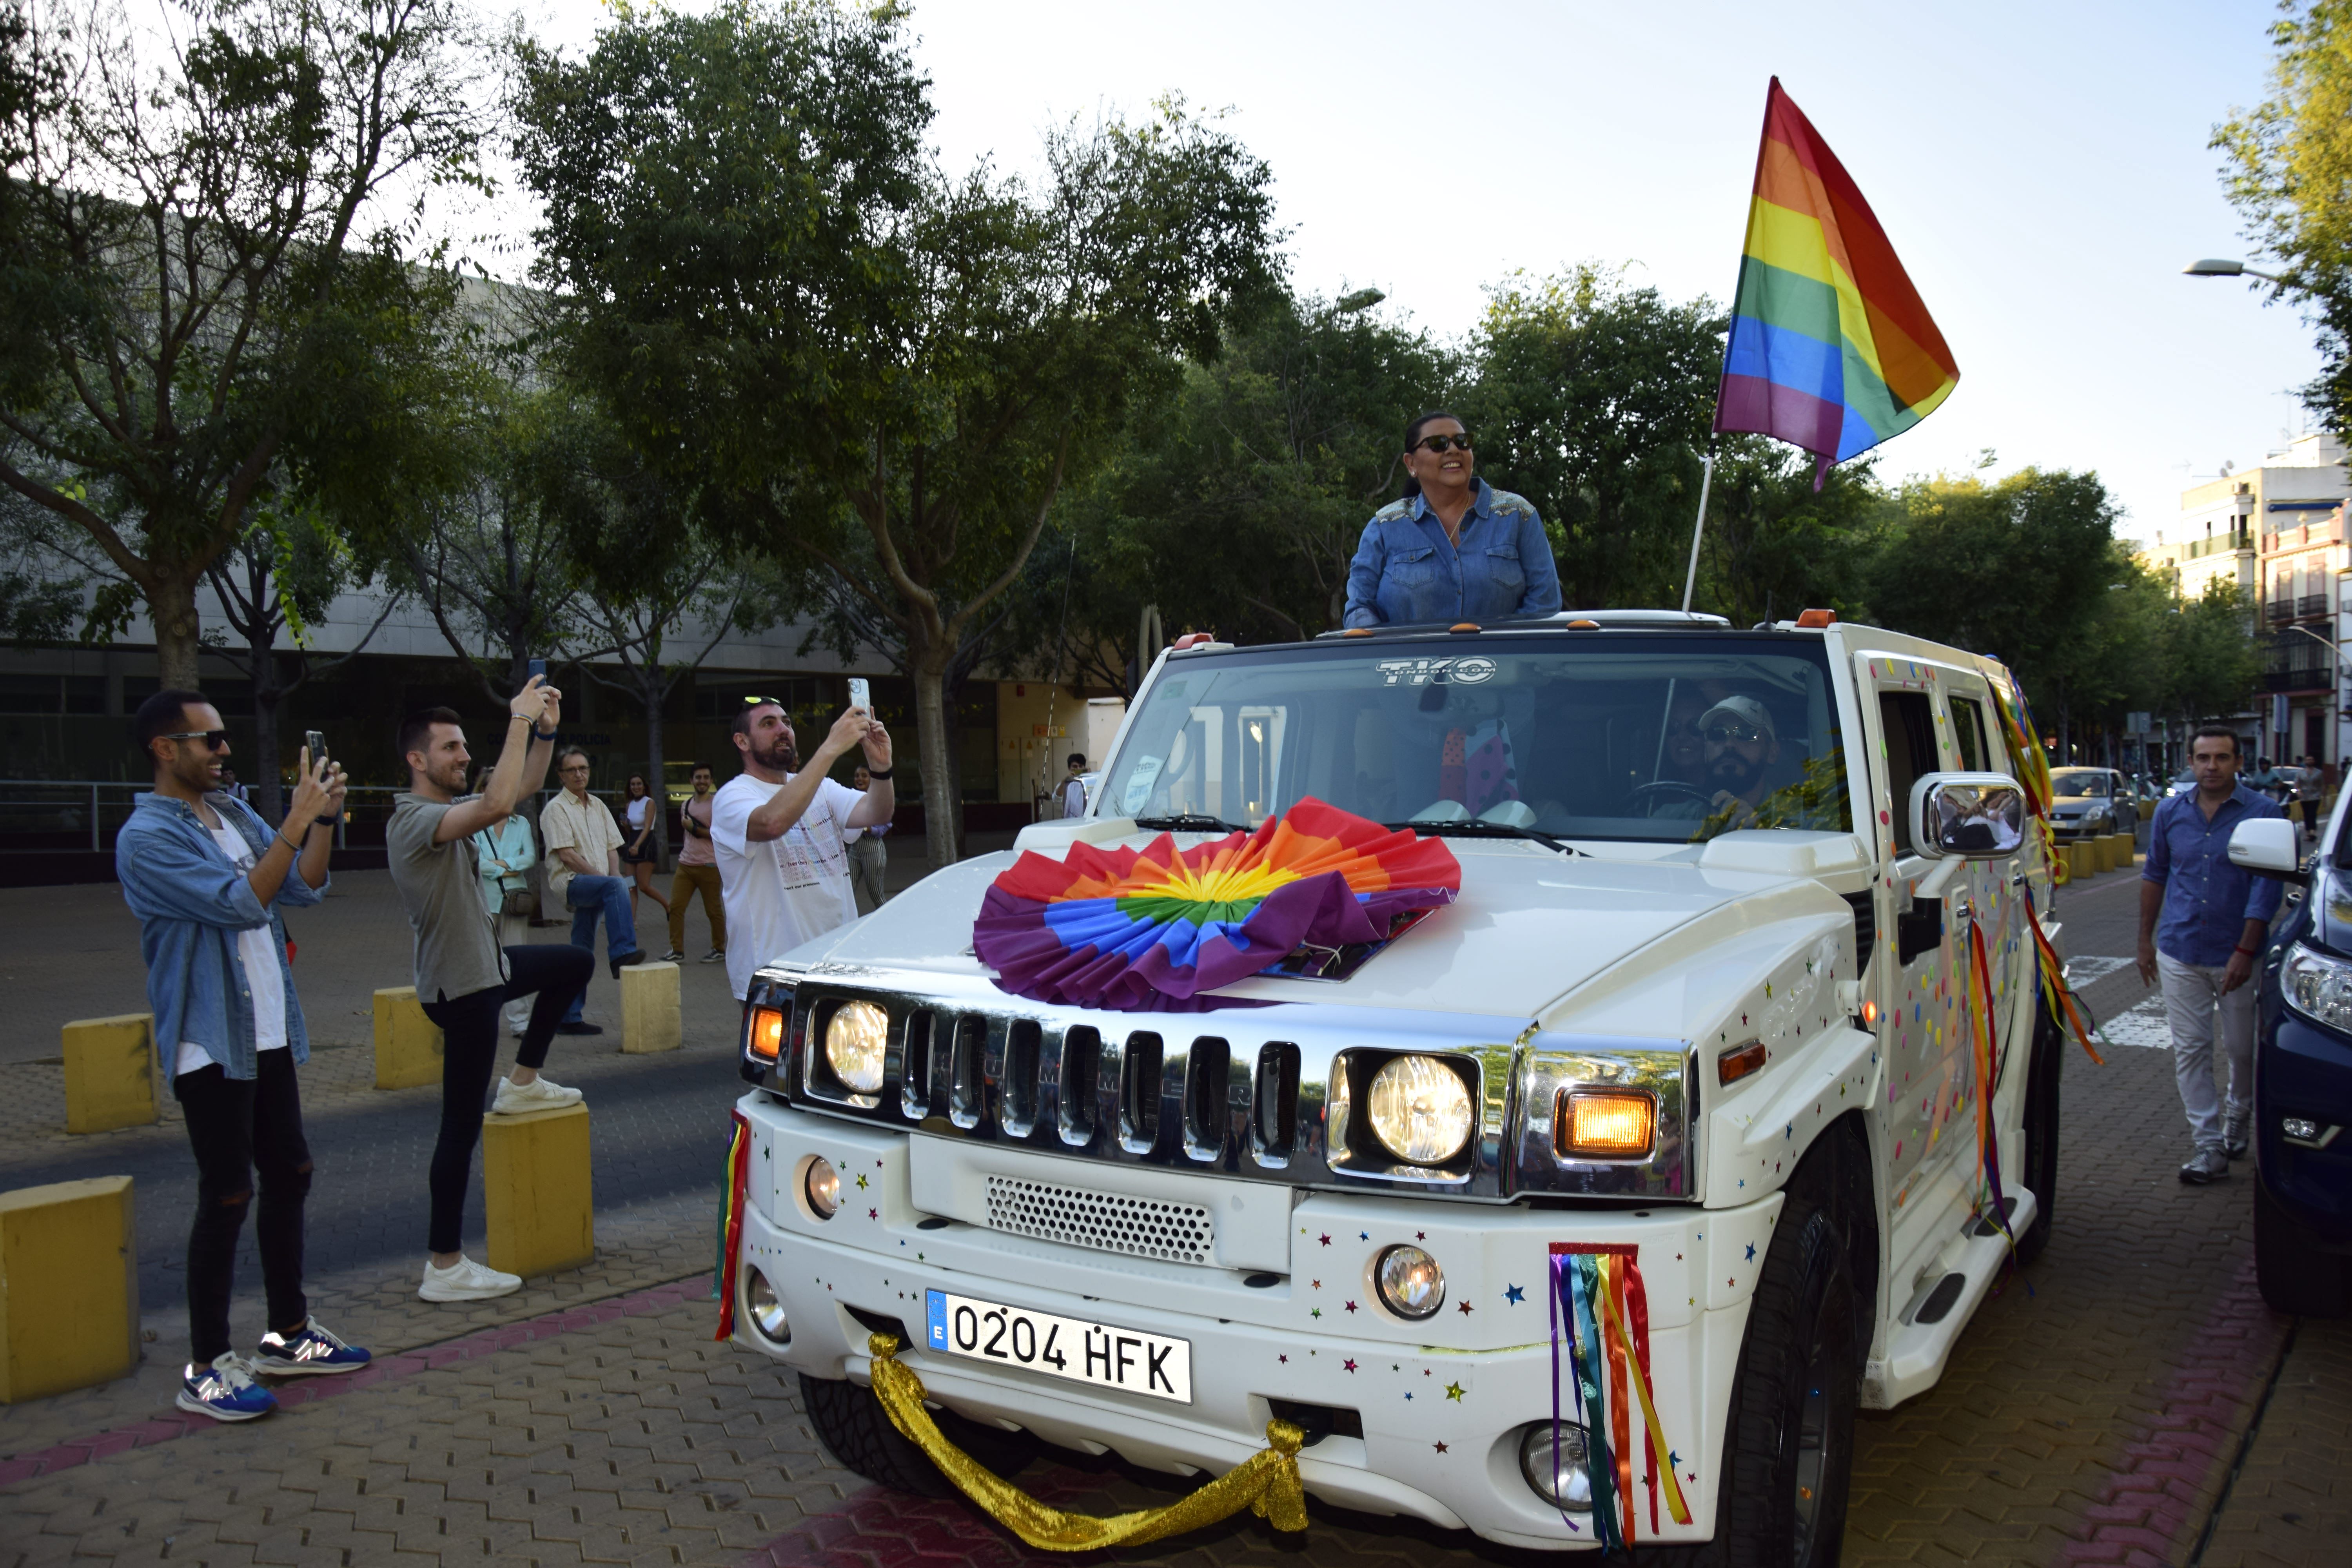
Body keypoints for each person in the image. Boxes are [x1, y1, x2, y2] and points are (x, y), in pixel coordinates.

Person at [116, 689, 369, 1421]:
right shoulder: (145, 837)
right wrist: (293, 818)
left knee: (291, 1170)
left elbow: (302, 884)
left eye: (225, 738)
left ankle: (288, 1334)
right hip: (210, 1039)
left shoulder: (229, 813)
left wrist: (319, 817)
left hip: (265, 1030)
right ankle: (204, 1366)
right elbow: (238, 903)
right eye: (210, 740)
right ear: (166, 749)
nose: (224, 750)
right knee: (227, 1194)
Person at [388, 685, 597, 1302]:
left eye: (463, 745)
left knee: (574, 963)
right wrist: (518, 720)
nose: (461, 754)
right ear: (417, 760)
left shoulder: (445, 812)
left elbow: (520, 789)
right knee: (460, 1127)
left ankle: (525, 1081)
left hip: (488, 967)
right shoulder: (414, 820)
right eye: (449, 747)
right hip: (463, 988)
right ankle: (445, 1266)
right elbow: (502, 797)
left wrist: (546, 732)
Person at [2136, 725, 2286, 1185]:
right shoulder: (2170, 812)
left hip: (2237, 954)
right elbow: (2156, 873)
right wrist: (2145, 939)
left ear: (2239, 762)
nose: (2212, 767)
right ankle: (2208, 1145)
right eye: (2203, 758)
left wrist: (2246, 948)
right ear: (2191, 761)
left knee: (2242, 1049)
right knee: (2191, 1050)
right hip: (2180, 949)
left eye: (2222, 758)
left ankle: (2239, 1116)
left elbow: (2267, 885)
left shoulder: (2264, 814)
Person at [714, 698, 894, 1000]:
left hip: (837, 965)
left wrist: (881, 768)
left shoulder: (820, 787)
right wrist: (830, 748)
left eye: (786, 722)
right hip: (774, 975)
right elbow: (772, 823)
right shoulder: (732, 797)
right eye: (768, 724)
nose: (783, 730)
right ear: (742, 741)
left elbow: (878, 813)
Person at [1342, 411, 1563, 629]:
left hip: (1503, 662)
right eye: (1438, 444)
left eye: (1462, 442)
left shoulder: (1518, 516)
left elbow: (1544, 602)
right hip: (1409, 663)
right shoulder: (1384, 527)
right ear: (1411, 464)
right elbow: (1359, 608)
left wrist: (1498, 652)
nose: (1454, 450)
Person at [540, 748, 644, 1034]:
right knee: (615, 886)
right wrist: (610, 884)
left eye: (583, 768)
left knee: (580, 952)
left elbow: (613, 848)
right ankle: (622, 953)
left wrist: (613, 882)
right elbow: (567, 857)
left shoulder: (598, 805)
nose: (579, 774)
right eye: (571, 770)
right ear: (561, 775)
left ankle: (569, 1017)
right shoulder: (556, 809)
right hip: (572, 883)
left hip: (597, 885)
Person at [470, 763, 538, 1039]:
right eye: (492, 788)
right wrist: (509, 867)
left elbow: (530, 858)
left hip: (514, 901)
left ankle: (520, 1023)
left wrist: (498, 865)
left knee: (515, 961)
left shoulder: (520, 824)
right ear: (483, 792)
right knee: (482, 963)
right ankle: (479, 1020)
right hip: (484, 900)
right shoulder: (473, 823)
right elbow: (476, 862)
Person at [662, 763, 727, 963]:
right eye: (698, 777)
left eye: (706, 777)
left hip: (709, 866)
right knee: (676, 908)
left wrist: (695, 829)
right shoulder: (686, 804)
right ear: (691, 781)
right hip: (686, 864)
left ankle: (719, 949)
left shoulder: (717, 805)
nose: (702, 781)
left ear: (712, 781)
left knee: (713, 910)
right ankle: (677, 951)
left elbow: (720, 835)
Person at [618, 771, 670, 923]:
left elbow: (647, 827)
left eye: (639, 784)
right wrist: (626, 825)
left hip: (645, 845)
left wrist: (637, 846)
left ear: (644, 786)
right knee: (630, 885)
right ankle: (632, 920)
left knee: (644, 886)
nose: (636, 787)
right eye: (633, 784)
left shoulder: (650, 803)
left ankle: (668, 906)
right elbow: (629, 829)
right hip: (632, 843)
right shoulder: (629, 804)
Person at [848, 764, 891, 915]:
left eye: (864, 776)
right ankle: (846, 927)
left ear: (871, 779)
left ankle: (888, 925)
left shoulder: (878, 799)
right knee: (846, 892)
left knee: (877, 896)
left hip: (873, 851)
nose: (860, 779)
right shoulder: (850, 797)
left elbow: (883, 829)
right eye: (857, 776)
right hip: (854, 850)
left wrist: (865, 827)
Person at [1056, 753, 1089, 820]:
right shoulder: (1066, 783)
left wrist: (1089, 777)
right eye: (1075, 767)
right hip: (1069, 821)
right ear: (1069, 768)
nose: (1078, 769)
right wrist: (1065, 781)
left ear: (1084, 768)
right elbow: (1056, 799)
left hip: (1085, 821)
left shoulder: (1088, 782)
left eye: (1081, 766)